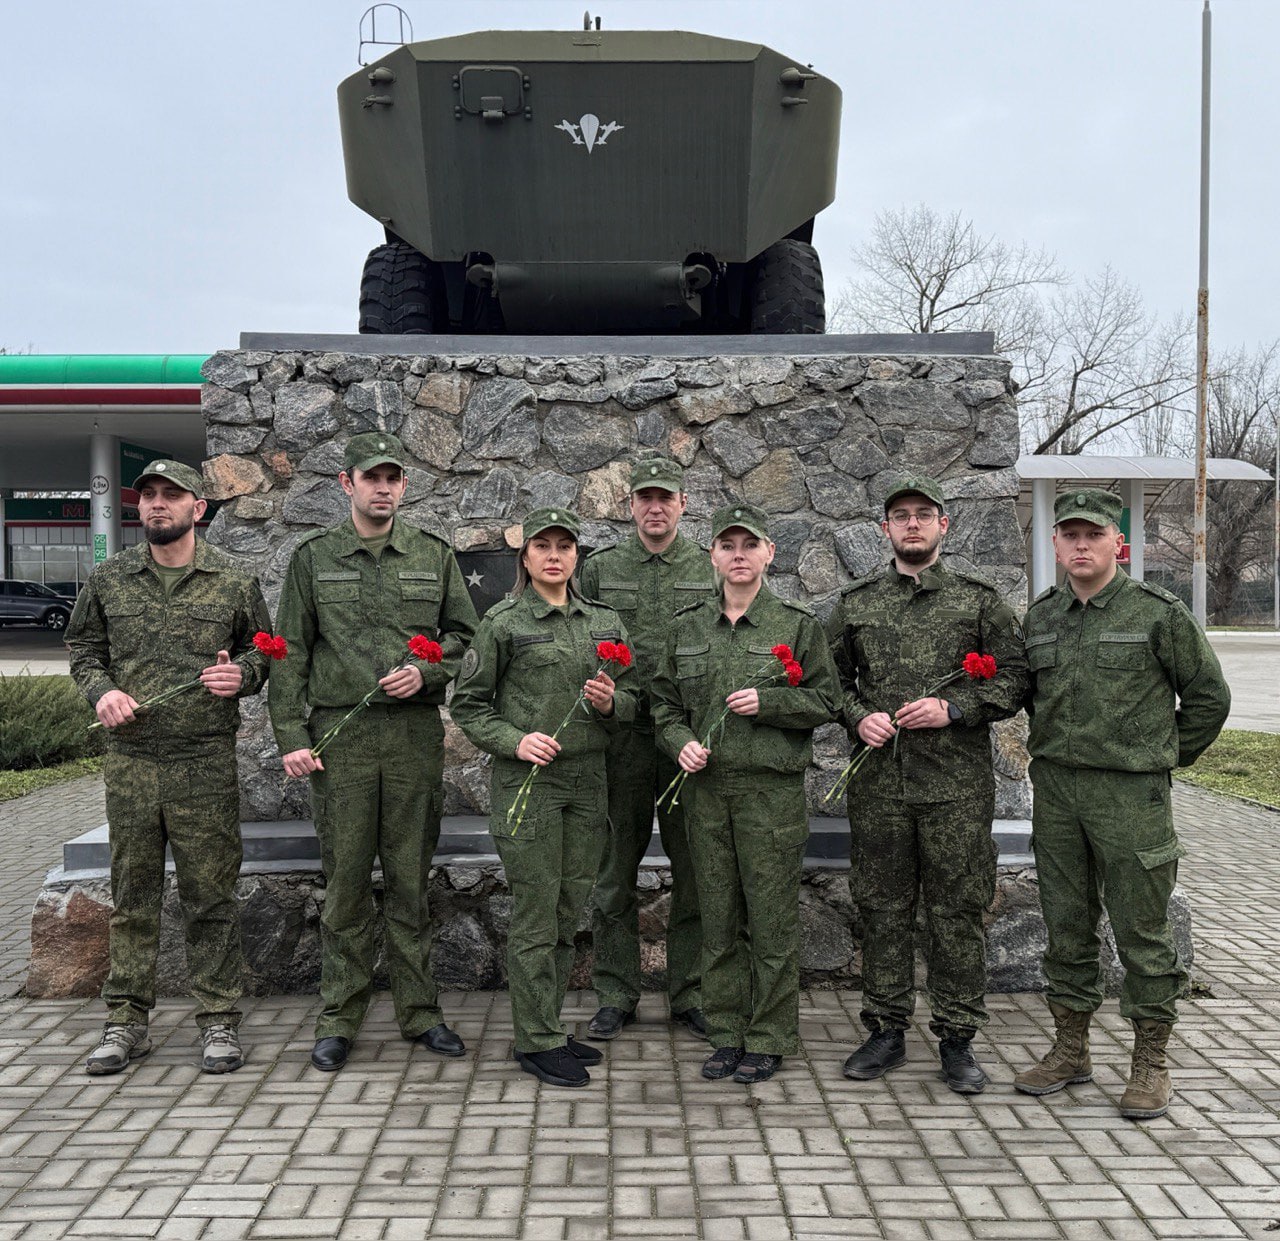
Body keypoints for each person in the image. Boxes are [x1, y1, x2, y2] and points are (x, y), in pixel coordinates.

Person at [1016, 487, 1230, 1119]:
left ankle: (1150, 1062)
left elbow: (1208, 699)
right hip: (1057, 793)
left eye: (1094, 535)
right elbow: (1035, 699)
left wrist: (1163, 757)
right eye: (1070, 535)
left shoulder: (1157, 614)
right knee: (1066, 925)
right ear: (1055, 544)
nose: (1082, 545)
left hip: (1130, 797)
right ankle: (1071, 1048)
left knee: (1142, 931)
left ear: (1120, 545)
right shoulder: (1042, 617)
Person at [269, 432, 479, 1072]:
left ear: (403, 487)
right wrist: (293, 738)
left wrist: (429, 673)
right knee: (347, 884)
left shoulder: (433, 556)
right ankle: (339, 1017)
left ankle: (420, 1013)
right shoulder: (314, 558)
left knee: (412, 880)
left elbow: (464, 637)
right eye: (372, 477)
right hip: (343, 739)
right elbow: (291, 655)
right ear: (347, 483)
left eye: (393, 478)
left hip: (412, 736)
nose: (383, 487)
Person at [66, 459, 272, 1076]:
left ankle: (217, 1020)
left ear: (197, 509)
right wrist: (101, 691)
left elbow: (262, 654)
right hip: (130, 762)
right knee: (133, 895)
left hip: (203, 761)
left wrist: (242, 676)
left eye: (171, 496)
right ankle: (126, 1021)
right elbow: (83, 649)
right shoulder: (109, 579)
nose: (156, 505)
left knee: (210, 894)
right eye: (148, 496)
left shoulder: (234, 581)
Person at [824, 475, 1028, 1093]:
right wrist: (859, 717)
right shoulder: (855, 602)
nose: (912, 524)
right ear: (884, 529)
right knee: (882, 907)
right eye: (900, 516)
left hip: (956, 788)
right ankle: (886, 1028)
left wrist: (956, 710)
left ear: (945, 525)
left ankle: (958, 1037)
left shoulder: (980, 601)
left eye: (923, 515)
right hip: (881, 784)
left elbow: (1015, 679)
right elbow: (825, 680)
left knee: (957, 909)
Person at [651, 502, 839, 1084]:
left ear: (768, 554)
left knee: (771, 917)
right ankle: (726, 1029)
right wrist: (679, 741)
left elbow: (827, 702)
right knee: (718, 915)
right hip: (707, 792)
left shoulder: (796, 626)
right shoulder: (687, 627)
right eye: (728, 546)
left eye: (749, 545)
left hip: (769, 794)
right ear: (713, 554)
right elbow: (663, 705)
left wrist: (772, 703)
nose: (739, 555)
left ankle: (770, 1035)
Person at [450, 508, 637, 1088]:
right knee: (536, 912)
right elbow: (469, 705)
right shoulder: (503, 623)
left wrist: (612, 704)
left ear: (576, 556)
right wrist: (516, 740)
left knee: (567, 908)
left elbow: (636, 699)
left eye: (564, 545)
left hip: (588, 782)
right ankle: (534, 1039)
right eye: (542, 547)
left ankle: (549, 1025)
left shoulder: (605, 622)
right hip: (529, 785)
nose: (554, 556)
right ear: (525, 559)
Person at [579, 458, 715, 1042]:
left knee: (695, 870)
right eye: (644, 498)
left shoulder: (709, 566)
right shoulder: (601, 571)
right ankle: (615, 992)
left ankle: (692, 992)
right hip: (620, 743)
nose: (654, 508)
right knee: (613, 873)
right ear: (629, 505)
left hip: (686, 742)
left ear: (683, 503)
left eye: (665, 498)